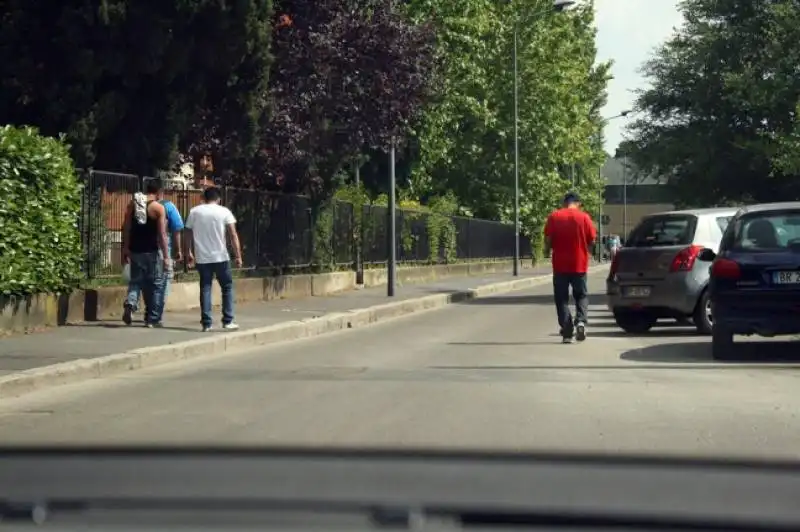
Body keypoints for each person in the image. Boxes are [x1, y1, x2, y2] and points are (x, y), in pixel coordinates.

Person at [122, 183, 184, 326]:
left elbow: (126, 228)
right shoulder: (158, 208)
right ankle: (153, 319)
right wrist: (167, 256)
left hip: (135, 250)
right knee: (156, 284)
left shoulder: (133, 205)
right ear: (159, 193)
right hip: (152, 251)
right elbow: (162, 234)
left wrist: (125, 248)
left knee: (136, 281)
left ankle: (130, 303)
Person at [185, 186, 243, 332]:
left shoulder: (194, 211)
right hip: (220, 256)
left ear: (204, 198)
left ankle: (206, 323)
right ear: (218, 198)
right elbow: (233, 234)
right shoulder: (224, 211)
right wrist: (238, 255)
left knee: (205, 287)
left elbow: (187, 233)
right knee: (227, 287)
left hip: (202, 257)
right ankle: (228, 320)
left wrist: (189, 252)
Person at [544, 192, 597, 344]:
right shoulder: (584, 217)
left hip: (560, 265)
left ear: (564, 202)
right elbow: (592, 240)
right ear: (578, 203)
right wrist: (589, 252)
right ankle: (580, 321)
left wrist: (547, 252)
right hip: (579, 264)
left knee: (561, 299)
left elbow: (548, 239)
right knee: (581, 295)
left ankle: (567, 330)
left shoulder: (554, 216)